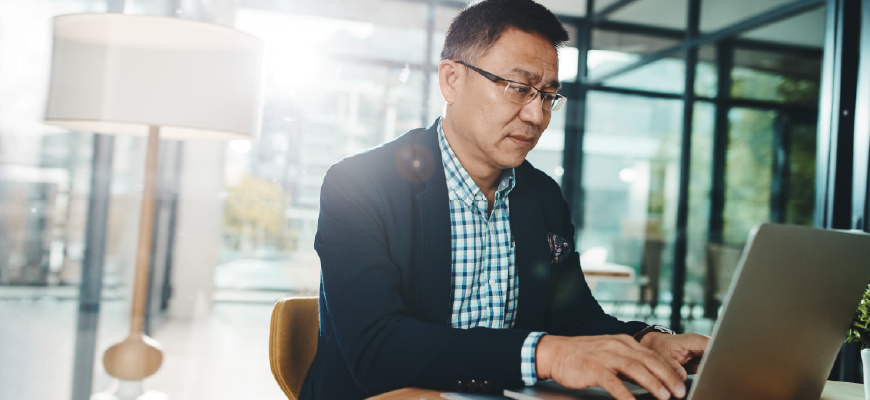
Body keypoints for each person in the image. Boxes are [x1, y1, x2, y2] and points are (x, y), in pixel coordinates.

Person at [299, 1, 708, 399]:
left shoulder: (543, 195)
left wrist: (646, 341)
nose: (537, 116)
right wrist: (545, 355)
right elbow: (376, 348)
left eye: (548, 95)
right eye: (518, 88)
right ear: (451, 80)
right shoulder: (358, 185)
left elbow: (574, 317)